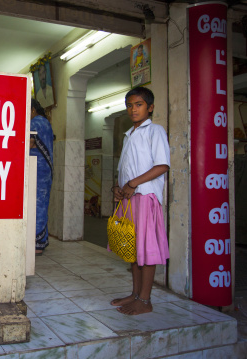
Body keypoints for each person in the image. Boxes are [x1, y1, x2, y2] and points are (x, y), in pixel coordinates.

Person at [110, 86, 170, 315]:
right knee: (133, 249)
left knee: (146, 250)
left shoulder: (154, 131)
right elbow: (125, 168)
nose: (133, 109)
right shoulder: (130, 134)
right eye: (129, 105)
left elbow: (162, 165)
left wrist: (133, 183)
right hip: (130, 198)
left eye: (139, 105)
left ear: (150, 107)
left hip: (145, 197)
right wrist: (119, 187)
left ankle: (145, 300)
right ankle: (135, 295)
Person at [30, 99, 53, 255]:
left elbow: (29, 143)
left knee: (37, 206)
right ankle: (40, 241)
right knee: (41, 205)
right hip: (44, 171)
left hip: (37, 171)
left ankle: (36, 244)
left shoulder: (36, 122)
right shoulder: (45, 122)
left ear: (32, 110)